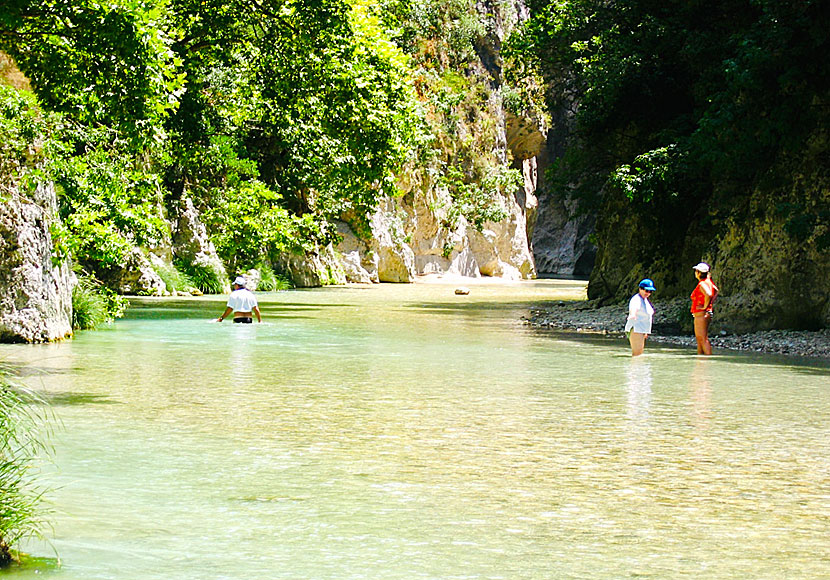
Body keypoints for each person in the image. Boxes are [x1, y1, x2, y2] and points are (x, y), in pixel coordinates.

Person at [690, 262, 718, 355]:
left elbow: (709, 294)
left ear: (698, 273)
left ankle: (707, 360)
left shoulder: (702, 284)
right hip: (704, 313)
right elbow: (716, 291)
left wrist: (705, 306)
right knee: (700, 339)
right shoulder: (708, 282)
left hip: (701, 314)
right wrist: (709, 304)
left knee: (702, 339)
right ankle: (700, 361)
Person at [624, 278, 656, 356]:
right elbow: (634, 308)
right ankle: (634, 368)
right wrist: (633, 314)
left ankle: (638, 368)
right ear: (640, 289)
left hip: (641, 329)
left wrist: (646, 331)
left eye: (650, 291)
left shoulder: (645, 300)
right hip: (636, 329)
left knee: (639, 354)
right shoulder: (636, 299)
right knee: (637, 355)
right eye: (646, 290)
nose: (648, 293)